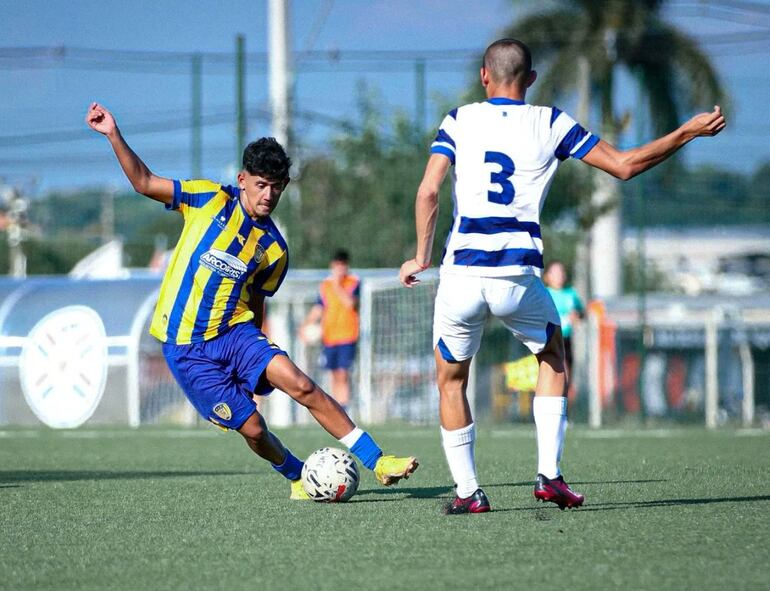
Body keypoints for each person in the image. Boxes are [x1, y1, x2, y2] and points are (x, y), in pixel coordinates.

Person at [399, 38, 725, 514]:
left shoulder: (459, 119)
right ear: (530, 80)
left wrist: (420, 257)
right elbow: (625, 165)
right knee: (552, 358)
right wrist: (688, 132)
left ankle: (469, 494)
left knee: (451, 381)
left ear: (484, 77)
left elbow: (428, 191)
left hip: (462, 276)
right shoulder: (551, 121)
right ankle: (549, 476)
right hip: (517, 278)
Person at [86, 102, 418, 499]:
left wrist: (255, 361)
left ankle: (377, 460)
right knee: (255, 429)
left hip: (236, 333)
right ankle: (297, 475)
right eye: (261, 184)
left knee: (302, 384)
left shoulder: (274, 248)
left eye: (277, 186)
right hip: (186, 348)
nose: (269, 194)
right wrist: (112, 134)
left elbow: (257, 303)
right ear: (242, 179)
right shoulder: (205, 199)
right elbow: (143, 182)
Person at [300, 250, 360, 412]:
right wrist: (306, 325)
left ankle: (345, 407)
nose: (339, 268)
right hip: (330, 336)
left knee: (343, 373)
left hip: (347, 335)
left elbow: (350, 304)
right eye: (336, 264)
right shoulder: (325, 285)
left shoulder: (353, 282)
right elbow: (319, 308)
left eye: (342, 265)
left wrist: (337, 286)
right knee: (333, 374)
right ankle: (337, 408)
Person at [543, 260, 583, 372]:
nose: (559, 275)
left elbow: (581, 313)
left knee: (567, 374)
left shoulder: (571, 293)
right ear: (547, 276)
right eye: (555, 272)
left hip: (566, 339)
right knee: (557, 372)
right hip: (549, 340)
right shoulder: (544, 294)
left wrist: (577, 316)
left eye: (561, 272)